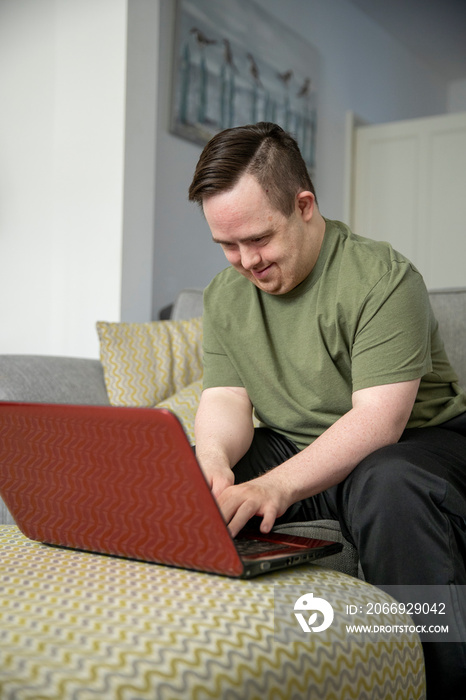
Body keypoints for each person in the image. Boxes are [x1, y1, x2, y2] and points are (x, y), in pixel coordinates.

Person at [188, 121, 466, 698]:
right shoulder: (224, 296)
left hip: (419, 444)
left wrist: (275, 487)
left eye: (259, 239)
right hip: (299, 442)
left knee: (390, 482)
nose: (245, 260)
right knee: (185, 472)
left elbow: (379, 421)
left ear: (304, 205)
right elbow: (225, 399)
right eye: (227, 244)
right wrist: (214, 457)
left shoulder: (383, 278)